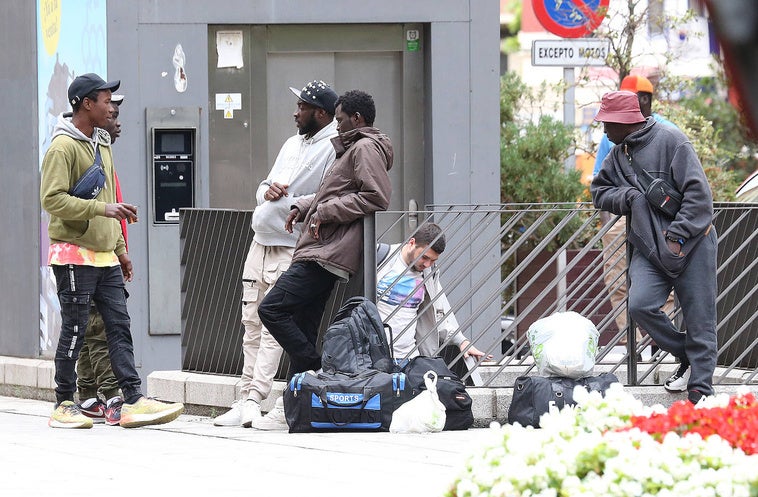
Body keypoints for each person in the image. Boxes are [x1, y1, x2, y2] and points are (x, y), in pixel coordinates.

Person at [41, 73, 184, 428]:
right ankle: (63, 403)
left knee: (119, 326)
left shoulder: (101, 143)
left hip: (105, 256)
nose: (112, 108)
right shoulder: (62, 147)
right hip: (73, 253)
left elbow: (111, 198)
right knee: (75, 329)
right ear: (86, 104)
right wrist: (102, 211)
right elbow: (51, 199)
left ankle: (133, 399)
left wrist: (121, 248)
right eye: (106, 101)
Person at [257, 89, 393, 428]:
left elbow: (377, 197)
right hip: (321, 246)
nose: (337, 124)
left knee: (271, 309)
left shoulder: (364, 148)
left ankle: (317, 368)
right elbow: (328, 194)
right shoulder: (349, 148)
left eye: (342, 118)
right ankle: (298, 402)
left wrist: (325, 213)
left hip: (328, 252)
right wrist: (303, 207)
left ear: (357, 119)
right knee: (303, 324)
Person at [212, 80, 339, 429]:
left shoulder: (332, 148)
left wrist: (292, 198)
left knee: (272, 324)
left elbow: (327, 195)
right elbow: (262, 187)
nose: (295, 112)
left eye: (302, 106)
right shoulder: (291, 143)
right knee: (250, 319)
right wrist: (267, 189)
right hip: (260, 239)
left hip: (290, 243)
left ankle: (258, 397)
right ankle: (244, 398)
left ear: (321, 113)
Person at [591, 91, 718, 405]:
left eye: (608, 123)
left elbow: (700, 198)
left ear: (626, 122)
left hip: (693, 243)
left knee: (700, 317)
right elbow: (599, 192)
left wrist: (676, 236)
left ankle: (700, 390)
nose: (604, 130)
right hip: (649, 247)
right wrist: (629, 197)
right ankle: (689, 353)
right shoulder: (619, 154)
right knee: (640, 305)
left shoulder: (672, 141)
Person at [594, 75, 677, 353]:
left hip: (660, 220)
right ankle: (634, 343)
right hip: (622, 217)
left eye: (631, 96)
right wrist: (610, 225)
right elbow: (599, 182)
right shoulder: (612, 135)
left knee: (664, 280)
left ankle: (664, 345)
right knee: (617, 278)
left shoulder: (668, 133)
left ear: (644, 99)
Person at [74, 94, 129, 426]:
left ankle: (88, 394)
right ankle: (111, 397)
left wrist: (121, 250)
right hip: (87, 256)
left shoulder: (103, 153)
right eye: (111, 113)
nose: (116, 119)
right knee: (99, 329)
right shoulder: (79, 151)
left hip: (107, 251)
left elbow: (113, 210)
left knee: (90, 327)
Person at [376, 223, 489, 365]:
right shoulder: (381, 258)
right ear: (412, 243)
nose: (427, 264)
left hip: (409, 359)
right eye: (424, 257)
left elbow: (436, 316)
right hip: (375, 358)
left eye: (433, 260)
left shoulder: (430, 273)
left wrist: (461, 340)